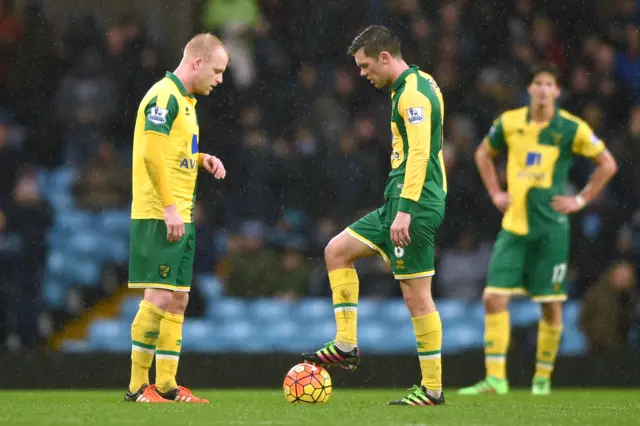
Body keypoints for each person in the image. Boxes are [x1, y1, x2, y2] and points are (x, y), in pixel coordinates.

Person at [302, 25, 447, 407]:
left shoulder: (413, 94)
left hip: (411, 206)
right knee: (336, 251)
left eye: (366, 65)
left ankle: (432, 389)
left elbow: (419, 154)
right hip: (397, 203)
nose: (363, 74)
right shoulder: (417, 84)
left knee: (417, 296)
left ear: (385, 57)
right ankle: (346, 344)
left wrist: (406, 212)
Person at [459, 63, 618, 396]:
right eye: (538, 83)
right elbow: (482, 154)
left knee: (550, 304)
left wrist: (581, 200)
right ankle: (496, 379)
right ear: (529, 89)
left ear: (557, 92)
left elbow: (608, 163)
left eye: (549, 84)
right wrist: (495, 193)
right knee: (493, 298)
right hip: (514, 226)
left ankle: (542, 379)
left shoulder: (570, 128)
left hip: (551, 230)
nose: (544, 89)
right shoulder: (510, 122)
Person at [125, 33, 229, 403]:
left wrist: (202, 160)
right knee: (159, 294)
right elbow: (151, 155)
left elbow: (172, 152)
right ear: (197, 63)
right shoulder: (163, 97)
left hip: (180, 214)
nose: (219, 80)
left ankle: (166, 385)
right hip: (159, 212)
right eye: (217, 71)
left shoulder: (186, 103)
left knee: (179, 300)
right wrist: (169, 208)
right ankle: (138, 386)